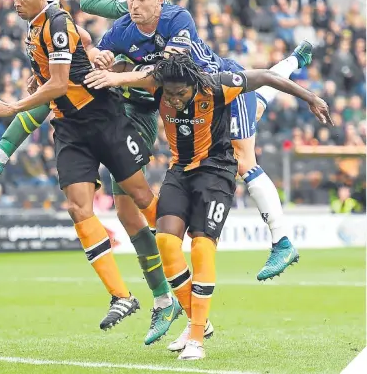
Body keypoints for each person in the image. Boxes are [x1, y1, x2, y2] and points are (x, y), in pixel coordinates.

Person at [0, 0, 182, 346]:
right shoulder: (116, 17)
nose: (134, 4)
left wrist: (102, 66)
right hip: (87, 114)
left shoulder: (176, 20)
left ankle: (182, 268)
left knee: (133, 206)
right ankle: (142, 296)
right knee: (83, 206)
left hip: (132, 112)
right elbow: (90, 12)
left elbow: (86, 32)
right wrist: (93, 47)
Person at [84, 52, 332, 360]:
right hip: (179, 171)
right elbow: (124, 78)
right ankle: (196, 321)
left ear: (193, 84)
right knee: (165, 241)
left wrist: (311, 98)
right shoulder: (158, 85)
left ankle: (196, 339)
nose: (174, 100)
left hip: (216, 173)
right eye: (169, 94)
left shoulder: (217, 86)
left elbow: (266, 77)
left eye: (180, 94)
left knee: (202, 247)